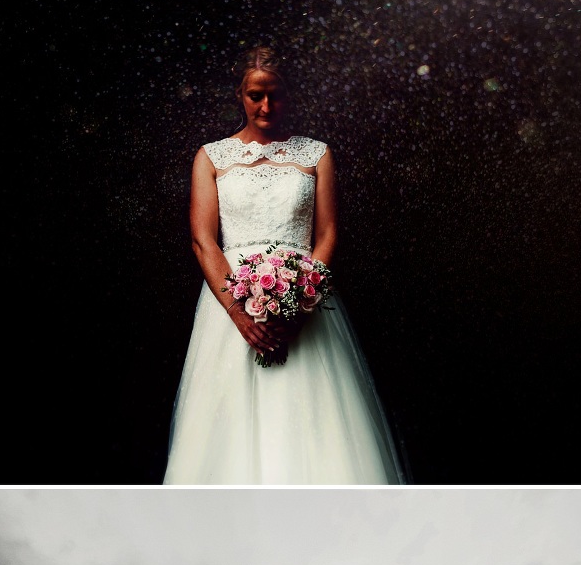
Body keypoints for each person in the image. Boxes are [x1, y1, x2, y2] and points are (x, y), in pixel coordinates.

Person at [163, 45, 406, 484]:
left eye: (275, 95)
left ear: (290, 94)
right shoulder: (211, 157)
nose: (266, 106)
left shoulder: (316, 154)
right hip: (229, 302)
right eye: (256, 95)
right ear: (240, 94)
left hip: (305, 304)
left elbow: (328, 234)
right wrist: (239, 313)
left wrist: (301, 303)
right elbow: (203, 240)